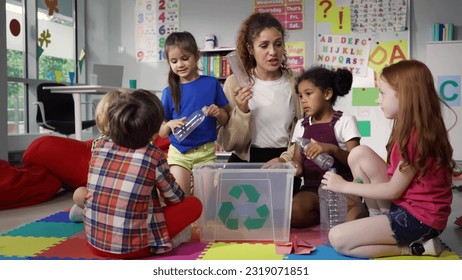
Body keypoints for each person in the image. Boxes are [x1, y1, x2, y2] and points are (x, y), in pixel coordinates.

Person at [322, 60, 455, 258]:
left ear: (405, 96)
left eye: (383, 93)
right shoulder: (409, 126)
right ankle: (379, 219)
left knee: (338, 239)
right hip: (406, 206)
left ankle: (413, 248)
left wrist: (343, 186)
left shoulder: (417, 138)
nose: (378, 100)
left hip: (420, 221)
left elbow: (393, 189)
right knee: (359, 154)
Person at [82, 89, 202, 259]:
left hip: (94, 243)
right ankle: (170, 241)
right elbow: (175, 198)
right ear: (154, 133)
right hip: (135, 249)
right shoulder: (153, 155)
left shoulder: (99, 144)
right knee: (194, 205)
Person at [217, 12, 303, 165]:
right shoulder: (235, 83)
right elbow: (229, 144)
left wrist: (285, 159)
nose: (273, 52)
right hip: (245, 161)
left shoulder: (297, 82)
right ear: (250, 49)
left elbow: (306, 131)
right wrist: (242, 111)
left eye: (278, 44)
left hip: (282, 160)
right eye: (264, 45)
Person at [289, 66, 367, 228]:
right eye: (301, 96)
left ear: (327, 94)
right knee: (293, 212)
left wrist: (332, 149)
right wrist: (291, 166)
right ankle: (326, 219)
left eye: (308, 94)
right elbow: (298, 164)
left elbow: (356, 163)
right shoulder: (301, 125)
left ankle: (338, 217)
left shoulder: (345, 121)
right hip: (312, 191)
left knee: (354, 221)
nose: (303, 100)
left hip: (342, 189)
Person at [159, 31, 229, 196]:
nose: (180, 65)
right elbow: (161, 132)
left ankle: (200, 223)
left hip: (205, 153)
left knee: (203, 200)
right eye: (174, 61)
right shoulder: (168, 92)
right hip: (178, 153)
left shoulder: (211, 83)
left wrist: (218, 112)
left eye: (185, 58)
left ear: (196, 55)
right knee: (180, 198)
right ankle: (186, 224)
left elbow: (226, 119)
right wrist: (169, 124)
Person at [68, 89, 127, 222]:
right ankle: (95, 212)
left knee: (79, 195)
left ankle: (91, 213)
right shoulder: (99, 144)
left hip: (118, 198)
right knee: (79, 193)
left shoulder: (99, 143)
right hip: (107, 197)